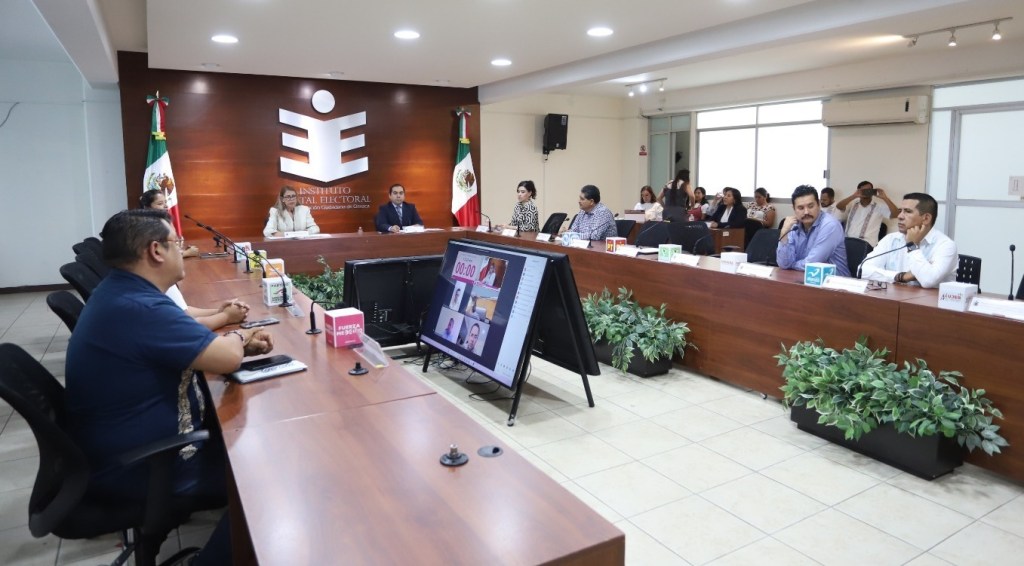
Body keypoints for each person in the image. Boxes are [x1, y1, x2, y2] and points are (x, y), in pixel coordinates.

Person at [66, 209, 274, 566]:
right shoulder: (138, 307)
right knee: (266, 478)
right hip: (145, 467)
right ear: (156, 251)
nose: (182, 249)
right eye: (177, 243)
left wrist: (234, 342)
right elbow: (227, 358)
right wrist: (241, 337)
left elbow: (199, 345)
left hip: (128, 450)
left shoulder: (123, 292)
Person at [860, 193, 957, 287]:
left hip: (929, 298)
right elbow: (862, 270)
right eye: (900, 211)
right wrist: (901, 276)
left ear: (926, 218)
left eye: (907, 211)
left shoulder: (946, 245)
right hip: (894, 296)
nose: (899, 216)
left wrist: (912, 245)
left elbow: (928, 280)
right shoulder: (891, 239)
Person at [777, 185, 850, 276]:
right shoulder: (793, 226)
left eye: (811, 206)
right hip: (802, 278)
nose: (806, 212)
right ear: (794, 209)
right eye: (801, 208)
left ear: (818, 205)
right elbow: (783, 263)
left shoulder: (830, 225)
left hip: (835, 281)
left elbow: (812, 263)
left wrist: (791, 265)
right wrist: (784, 232)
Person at [140, 189, 199, 258]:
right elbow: (159, 255)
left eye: (165, 202)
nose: (166, 206)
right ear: (147, 207)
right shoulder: (148, 226)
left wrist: (180, 250)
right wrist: (187, 253)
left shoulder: (164, 220)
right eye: (160, 203)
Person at [836, 180, 898, 246]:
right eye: (863, 190)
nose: (866, 192)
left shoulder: (879, 206)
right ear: (859, 191)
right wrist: (854, 196)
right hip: (848, 241)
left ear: (873, 191)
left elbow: (896, 214)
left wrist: (885, 198)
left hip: (867, 244)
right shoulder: (852, 204)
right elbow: (839, 206)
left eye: (869, 190)